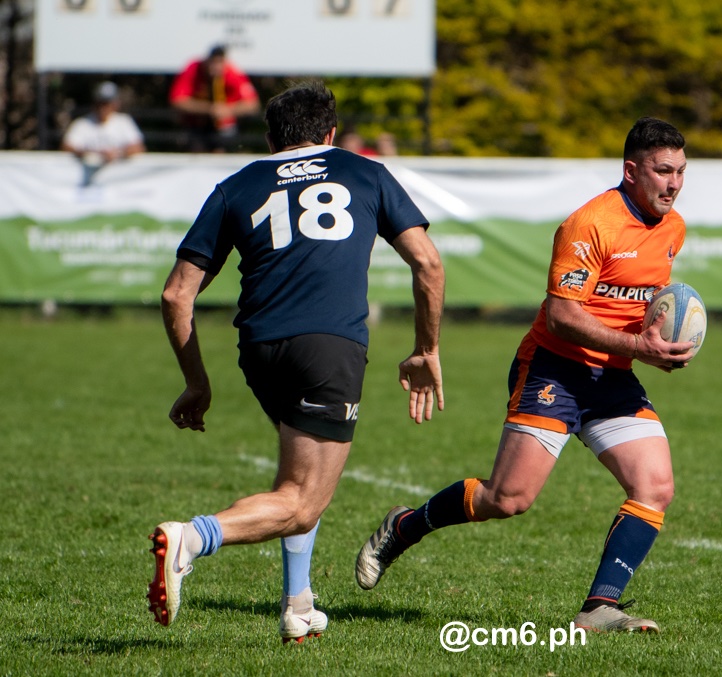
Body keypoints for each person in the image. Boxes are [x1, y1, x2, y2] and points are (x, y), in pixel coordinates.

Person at [355, 117, 694, 633]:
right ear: (631, 170)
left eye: (680, 172)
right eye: (662, 170)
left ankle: (599, 607)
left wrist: (666, 335)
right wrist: (640, 347)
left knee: (655, 485)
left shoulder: (673, 229)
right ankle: (406, 526)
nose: (673, 183)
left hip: (613, 376)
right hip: (554, 367)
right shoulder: (590, 225)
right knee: (508, 500)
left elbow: (639, 303)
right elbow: (562, 314)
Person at [147, 80, 445, 644]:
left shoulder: (237, 185)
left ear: (269, 137)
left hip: (259, 349)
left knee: (298, 478)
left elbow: (175, 295)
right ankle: (191, 538)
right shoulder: (364, 171)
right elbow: (428, 264)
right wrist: (427, 350)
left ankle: (298, 605)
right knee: (303, 501)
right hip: (328, 347)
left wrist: (196, 383)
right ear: (331, 134)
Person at [169, 45, 261, 152]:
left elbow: (252, 104)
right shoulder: (194, 69)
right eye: (213, 62)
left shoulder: (232, 72)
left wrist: (228, 110)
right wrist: (209, 109)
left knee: (225, 143)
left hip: (224, 127)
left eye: (219, 63)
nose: (215, 67)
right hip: (197, 125)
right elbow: (177, 100)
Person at [60, 81, 145, 186]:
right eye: (100, 103)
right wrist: (86, 153)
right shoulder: (82, 123)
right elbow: (67, 146)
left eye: (107, 103)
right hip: (87, 185)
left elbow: (138, 147)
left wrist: (118, 154)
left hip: (119, 184)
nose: (103, 107)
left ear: (115, 104)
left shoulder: (123, 122)